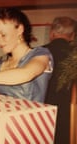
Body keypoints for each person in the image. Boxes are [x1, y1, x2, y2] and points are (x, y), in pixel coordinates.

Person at [0, 7, 53, 103]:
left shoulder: (41, 54)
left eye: (3, 35)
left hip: (29, 117)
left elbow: (26, 74)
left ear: (20, 29)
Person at [44, 16, 76, 144]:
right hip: (69, 119)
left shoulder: (36, 53)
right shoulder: (74, 56)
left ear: (52, 33)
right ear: (72, 35)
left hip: (41, 116)